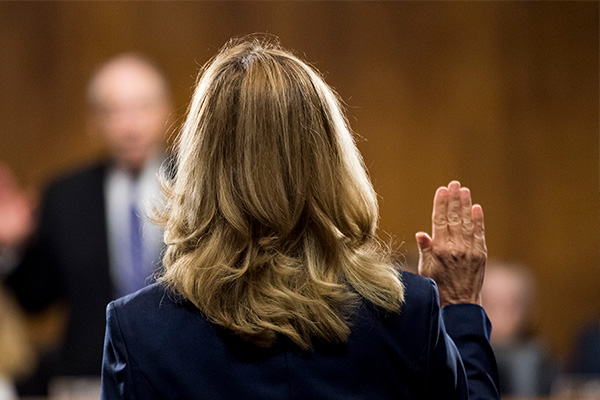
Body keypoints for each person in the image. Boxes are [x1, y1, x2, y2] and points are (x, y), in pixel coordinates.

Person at [101, 37, 499, 399]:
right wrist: (461, 307)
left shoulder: (137, 330)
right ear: (331, 164)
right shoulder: (408, 313)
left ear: (200, 169)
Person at [2, 53, 173, 390]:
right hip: (90, 375)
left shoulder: (201, 188)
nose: (130, 124)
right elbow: (36, 299)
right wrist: (12, 248)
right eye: (115, 111)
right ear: (94, 122)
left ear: (166, 111)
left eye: (142, 107)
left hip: (179, 370)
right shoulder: (65, 195)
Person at [481, 261, 556, 397]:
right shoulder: (452, 364)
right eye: (488, 304)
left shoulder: (547, 368)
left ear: (528, 311)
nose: (498, 316)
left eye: (507, 306)